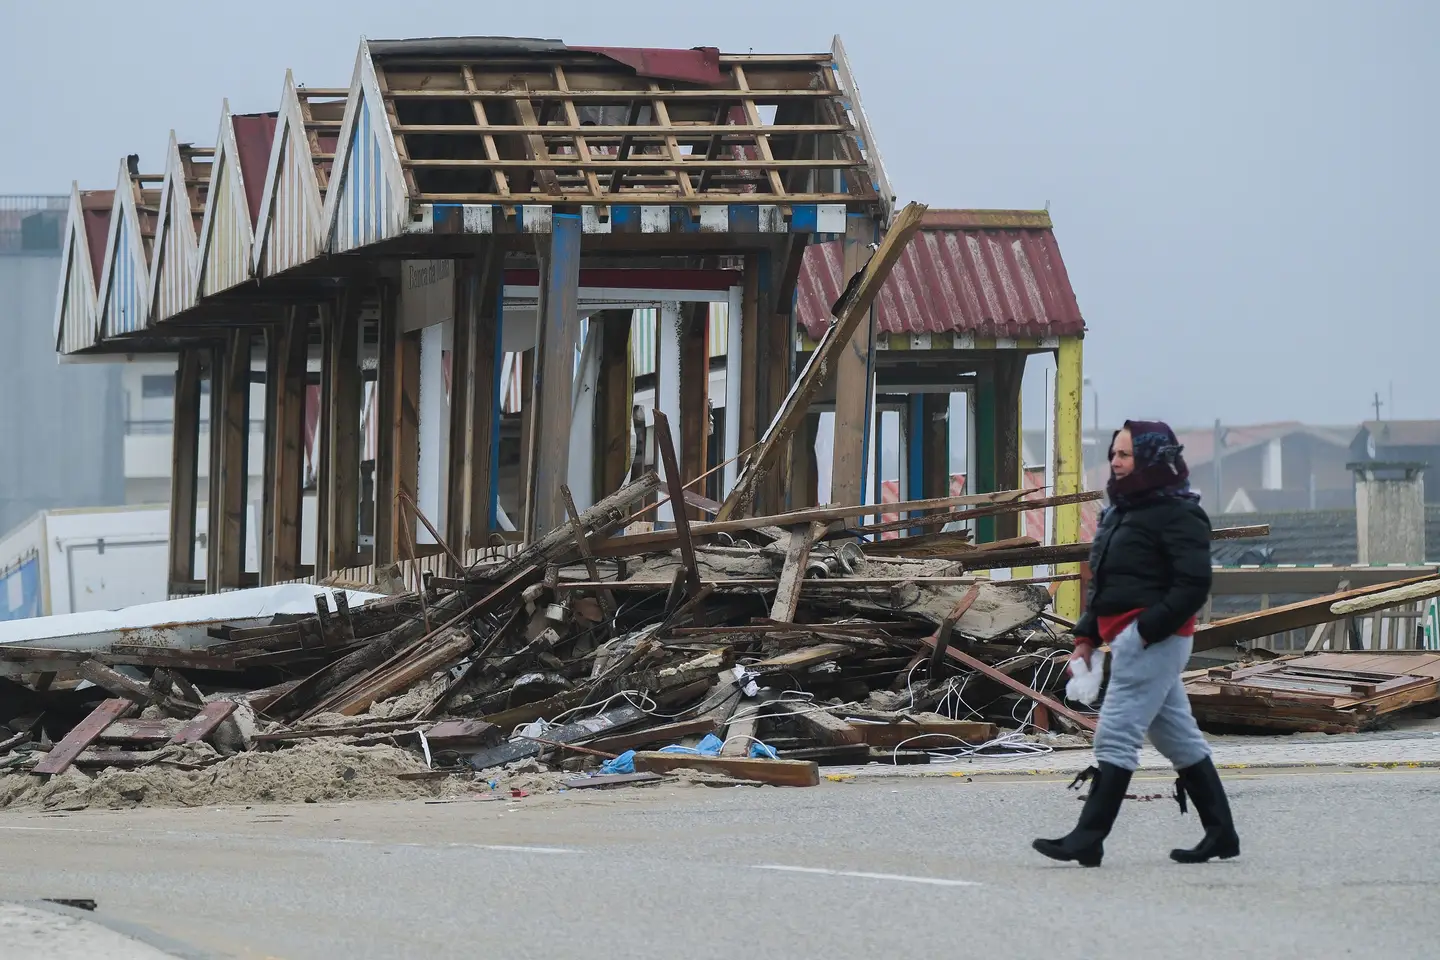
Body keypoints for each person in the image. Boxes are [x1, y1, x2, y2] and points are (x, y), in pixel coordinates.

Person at [1032, 420, 1240, 867]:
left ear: (1150, 458)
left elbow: (1193, 585)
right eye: (1114, 453)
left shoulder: (1180, 513)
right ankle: (1221, 833)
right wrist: (1086, 637)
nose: (1115, 461)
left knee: (1115, 734)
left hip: (1154, 641)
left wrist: (1142, 632)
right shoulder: (1120, 510)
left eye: (1125, 454)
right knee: (1178, 738)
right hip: (1129, 639)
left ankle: (1088, 838)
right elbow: (1105, 584)